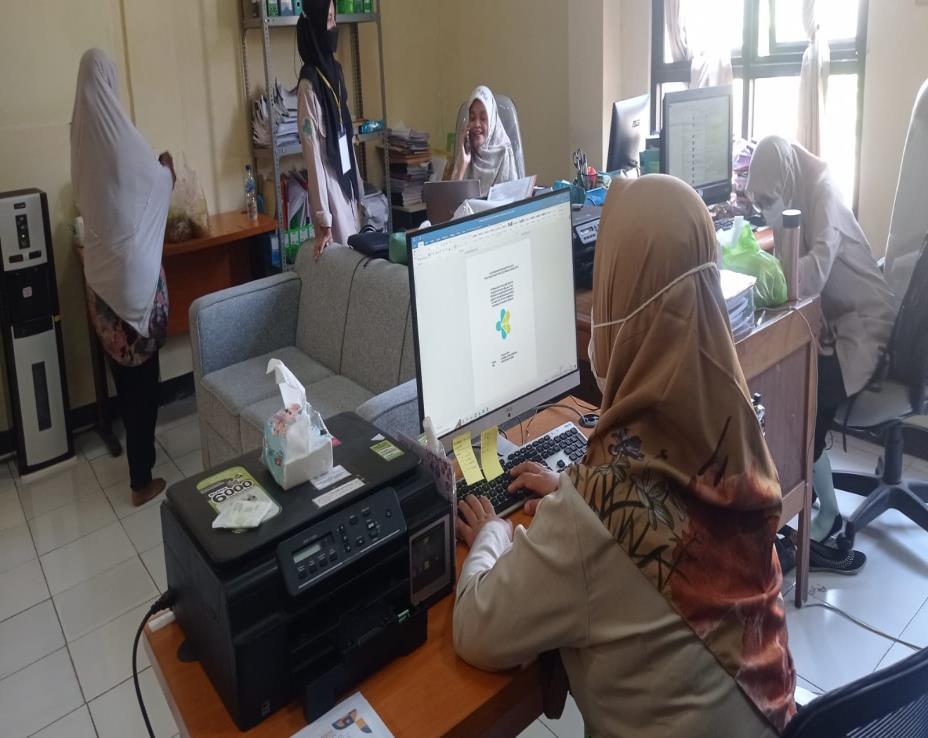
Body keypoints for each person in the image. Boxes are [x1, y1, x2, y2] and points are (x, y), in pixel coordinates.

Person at [453, 175, 796, 738]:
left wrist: (493, 533)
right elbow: (653, 517)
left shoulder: (597, 514)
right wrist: (577, 496)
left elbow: (475, 628)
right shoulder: (736, 440)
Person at [747, 136, 896, 572]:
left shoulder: (824, 192)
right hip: (838, 326)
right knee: (790, 382)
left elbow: (813, 273)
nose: (765, 209)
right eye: (758, 202)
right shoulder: (796, 188)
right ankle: (806, 492)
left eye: (768, 200)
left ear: (786, 179)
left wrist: (765, 282)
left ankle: (826, 516)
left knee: (799, 401)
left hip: (865, 331)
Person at [71, 49, 173, 506]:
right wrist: (166, 167)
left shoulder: (79, 136)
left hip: (100, 283)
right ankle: (140, 480)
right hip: (132, 285)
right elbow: (156, 182)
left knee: (124, 382)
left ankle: (138, 463)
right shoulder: (119, 137)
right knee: (144, 387)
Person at [296, 0, 364, 260]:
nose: (334, 26)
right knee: (345, 263)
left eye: (334, 18)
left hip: (348, 183)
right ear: (314, 27)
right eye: (328, 20)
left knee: (360, 258)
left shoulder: (336, 71)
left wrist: (359, 190)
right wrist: (323, 220)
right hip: (330, 188)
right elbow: (313, 157)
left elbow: (347, 136)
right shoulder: (308, 85)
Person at [449, 85, 518, 196]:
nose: (477, 124)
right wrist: (462, 165)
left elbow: (510, 200)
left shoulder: (504, 151)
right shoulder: (466, 150)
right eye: (472, 118)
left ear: (492, 121)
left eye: (483, 118)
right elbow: (451, 201)